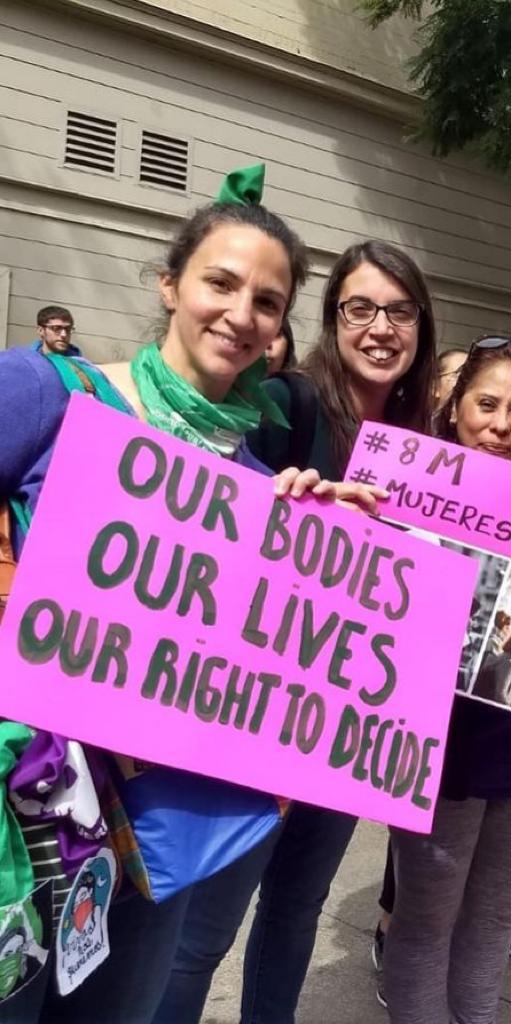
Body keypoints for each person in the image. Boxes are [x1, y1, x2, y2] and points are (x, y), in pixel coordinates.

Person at [0, 166, 376, 1022]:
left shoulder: (258, 488)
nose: (241, 314)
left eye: (269, 302)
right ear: (171, 284)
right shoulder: (49, 392)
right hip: (23, 823)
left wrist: (323, 550)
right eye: (221, 281)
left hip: (157, 840)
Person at [155, 239, 436, 1024]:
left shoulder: (431, 446)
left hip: (355, 725)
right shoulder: (288, 401)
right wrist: (275, 497)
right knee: (203, 935)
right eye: (360, 308)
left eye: (400, 310)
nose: (381, 327)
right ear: (332, 318)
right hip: (261, 717)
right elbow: (218, 528)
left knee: (296, 911)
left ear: (422, 324)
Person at [382, 337, 511, 1022]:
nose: (502, 424)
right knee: (425, 926)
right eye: (486, 403)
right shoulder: (401, 497)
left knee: (491, 921)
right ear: (454, 407)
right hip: (438, 762)